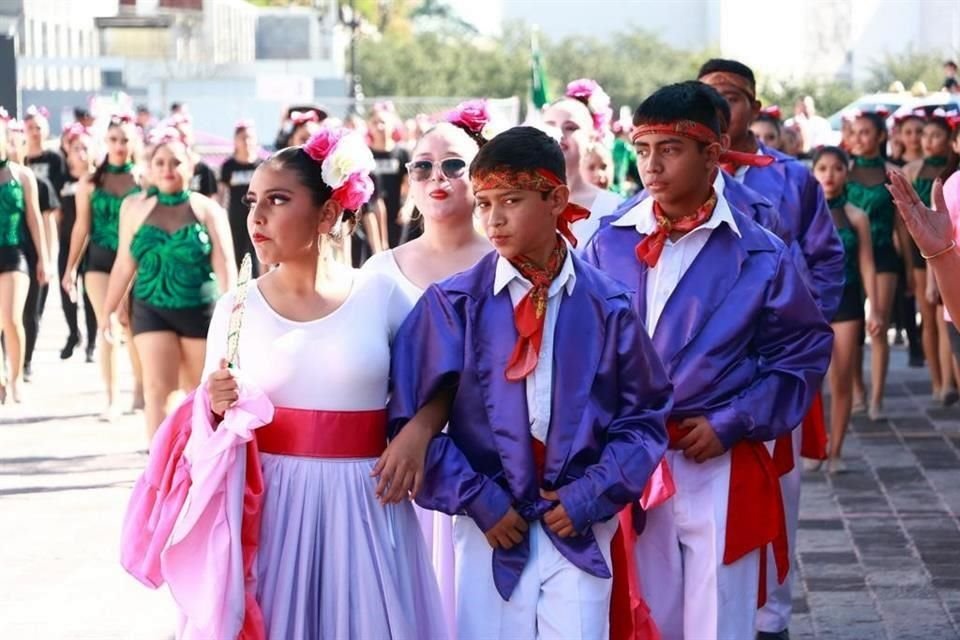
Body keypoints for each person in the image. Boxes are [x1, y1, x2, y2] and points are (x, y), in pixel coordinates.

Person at [389, 125, 673, 640]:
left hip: (579, 523)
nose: (493, 220)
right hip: (488, 529)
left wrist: (590, 495)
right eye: (484, 203)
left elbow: (644, 419)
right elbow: (409, 418)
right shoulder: (453, 305)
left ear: (556, 198)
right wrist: (478, 498)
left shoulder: (608, 306)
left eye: (511, 201)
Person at [585, 80, 833, 640]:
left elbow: (801, 354)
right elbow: (581, 349)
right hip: (631, 459)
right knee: (643, 614)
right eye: (644, 149)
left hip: (718, 457)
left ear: (713, 154)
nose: (652, 165)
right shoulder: (607, 241)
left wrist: (733, 421)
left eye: (670, 149)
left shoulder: (761, 251)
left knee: (720, 619)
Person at [203, 124, 447, 638]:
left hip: (365, 501)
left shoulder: (381, 294)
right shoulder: (236, 305)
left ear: (329, 212)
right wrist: (213, 402)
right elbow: (208, 420)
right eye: (252, 201)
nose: (257, 216)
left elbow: (444, 379)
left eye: (277, 199)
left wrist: (418, 431)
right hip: (271, 505)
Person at [698, 61, 844, 640]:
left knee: (776, 491)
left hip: (770, 369)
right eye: (705, 98)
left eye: (730, 98)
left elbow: (827, 260)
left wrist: (797, 332)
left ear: (754, 108)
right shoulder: (675, 174)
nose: (718, 110)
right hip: (702, 377)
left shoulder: (790, 178)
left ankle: (770, 617)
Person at [362, 100, 493, 637]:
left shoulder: (506, 263)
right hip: (406, 475)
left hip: (489, 469)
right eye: (422, 166)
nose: (437, 176)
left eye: (454, 165)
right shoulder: (377, 273)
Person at [100, 129, 236, 441]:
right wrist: (108, 310)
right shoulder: (133, 208)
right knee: (156, 389)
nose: (167, 169)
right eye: (159, 162)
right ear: (149, 167)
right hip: (150, 308)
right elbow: (123, 263)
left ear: (190, 166)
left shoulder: (208, 210)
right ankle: (159, 471)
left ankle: (202, 463)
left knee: (198, 394)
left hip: (199, 311)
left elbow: (225, 265)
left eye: (175, 162)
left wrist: (231, 317)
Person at [63, 114, 145, 420]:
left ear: (133, 141)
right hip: (98, 262)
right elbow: (81, 226)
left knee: (134, 327)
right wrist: (70, 267)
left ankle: (139, 390)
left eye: (125, 139)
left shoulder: (143, 179)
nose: (119, 145)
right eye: (113, 139)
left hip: (136, 262)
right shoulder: (90, 182)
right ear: (105, 142)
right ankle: (111, 399)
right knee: (107, 324)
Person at [811, 146, 880, 471]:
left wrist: (876, 309)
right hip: (809, 303)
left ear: (846, 171)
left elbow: (867, 264)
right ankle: (813, 448)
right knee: (809, 380)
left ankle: (835, 450)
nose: (829, 175)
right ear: (813, 173)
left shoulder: (856, 216)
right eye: (822, 168)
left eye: (836, 168)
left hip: (847, 300)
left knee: (840, 378)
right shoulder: (803, 214)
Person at [845, 110, 911, 420]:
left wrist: (910, 267)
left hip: (884, 255)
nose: (858, 138)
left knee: (879, 324)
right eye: (854, 132)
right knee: (854, 329)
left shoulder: (894, 173)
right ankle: (857, 391)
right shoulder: (842, 171)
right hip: (849, 256)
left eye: (865, 132)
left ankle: (877, 399)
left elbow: (901, 225)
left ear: (881, 136)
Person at [903, 114, 958, 405]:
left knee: (944, 319)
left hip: (944, 251)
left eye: (935, 135)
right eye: (924, 135)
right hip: (922, 252)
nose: (927, 140)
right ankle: (938, 381)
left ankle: (949, 382)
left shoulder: (951, 179)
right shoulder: (915, 172)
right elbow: (906, 222)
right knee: (931, 319)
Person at [0, 117, 49, 403]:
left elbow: (34, 219)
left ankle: (16, 378)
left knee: (11, 317)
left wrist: (44, 258)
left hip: (14, 253)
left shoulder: (22, 175)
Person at [542, 79, 623, 246]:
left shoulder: (615, 207)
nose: (559, 134)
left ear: (591, 138)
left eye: (570, 127)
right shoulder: (523, 201)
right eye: (550, 125)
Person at [9, 118, 59, 382]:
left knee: (26, 312)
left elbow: (45, 222)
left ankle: (24, 363)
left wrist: (47, 258)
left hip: (27, 254)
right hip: (12, 249)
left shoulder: (35, 182)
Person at [57, 124, 98, 362]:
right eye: (75, 148)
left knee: (89, 295)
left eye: (84, 147)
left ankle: (92, 343)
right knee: (66, 291)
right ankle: (74, 333)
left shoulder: (97, 179)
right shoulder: (61, 178)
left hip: (92, 244)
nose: (80, 152)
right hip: (66, 242)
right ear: (68, 151)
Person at [218, 120, 262, 275]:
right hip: (235, 216)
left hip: (258, 216)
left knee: (257, 253)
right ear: (236, 141)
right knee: (237, 253)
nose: (247, 142)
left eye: (250, 137)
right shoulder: (229, 166)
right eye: (243, 138)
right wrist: (220, 214)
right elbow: (221, 193)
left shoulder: (261, 165)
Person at [368, 102, 414, 248]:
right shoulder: (366, 154)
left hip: (395, 212)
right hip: (371, 213)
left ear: (392, 125)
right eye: (375, 123)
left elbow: (411, 184)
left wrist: (407, 208)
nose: (379, 127)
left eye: (383, 122)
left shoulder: (402, 153)